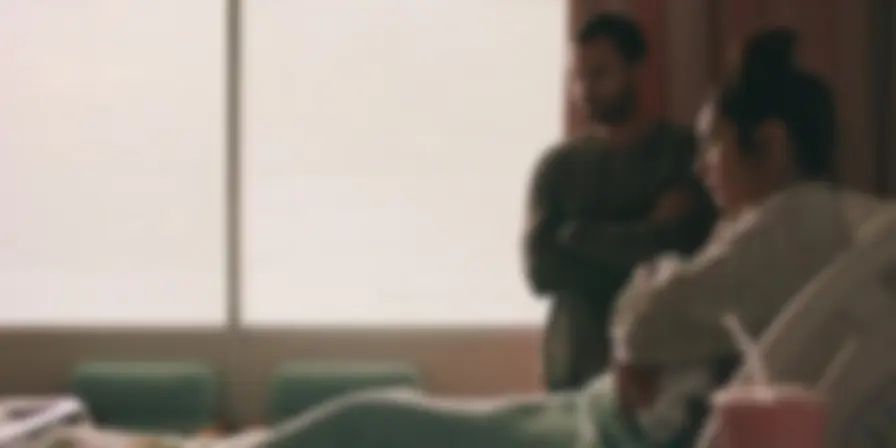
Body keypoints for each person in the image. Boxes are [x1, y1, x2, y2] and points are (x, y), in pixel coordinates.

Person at [259, 28, 855, 448]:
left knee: (365, 427)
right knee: (366, 421)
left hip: (607, 424)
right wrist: (647, 244)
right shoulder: (567, 169)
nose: (703, 166)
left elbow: (646, 324)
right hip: (593, 395)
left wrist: (626, 273)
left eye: (716, 144)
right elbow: (547, 269)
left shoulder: (791, 228)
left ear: (771, 143)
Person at [525, 12, 715, 391]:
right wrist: (648, 230)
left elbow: (686, 259)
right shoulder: (558, 167)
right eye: (579, 77)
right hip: (575, 367)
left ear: (636, 71)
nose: (586, 89)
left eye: (599, 74)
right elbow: (542, 272)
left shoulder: (682, 155)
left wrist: (577, 236)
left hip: (662, 370)